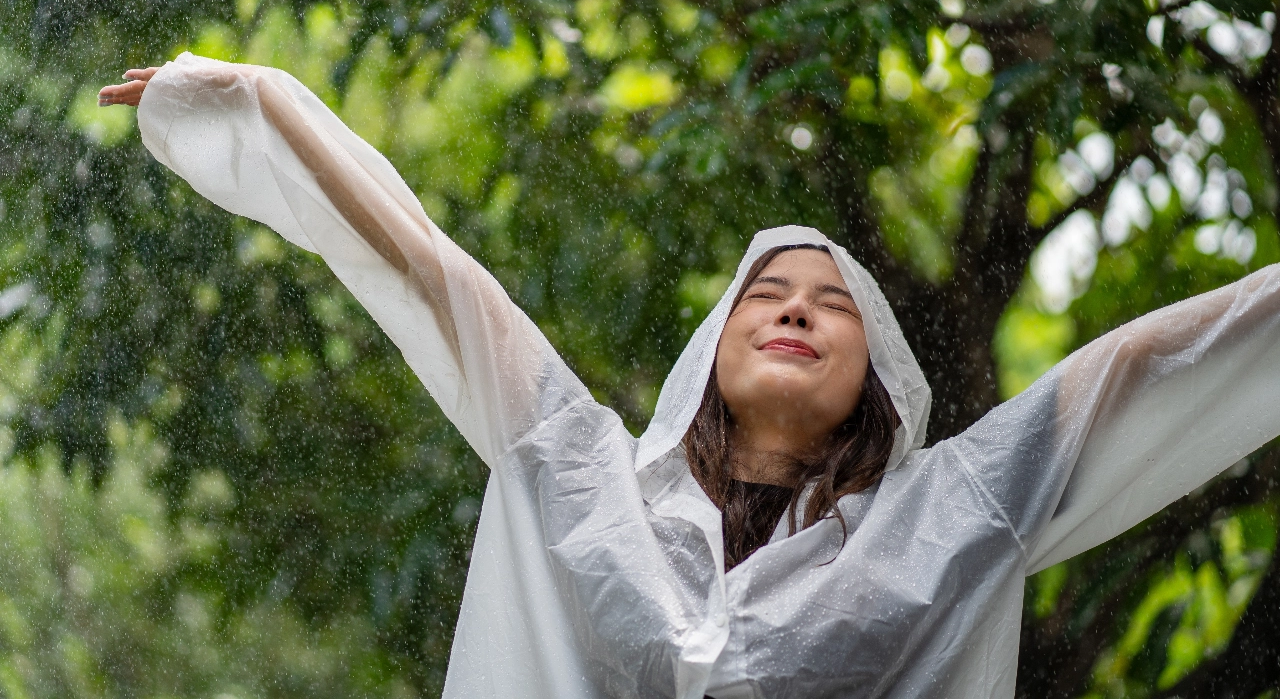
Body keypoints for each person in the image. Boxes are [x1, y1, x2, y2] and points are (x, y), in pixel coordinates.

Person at [99, 55, 1280, 699]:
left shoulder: (952, 512)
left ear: (877, 378)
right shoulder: (582, 474)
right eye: (764, 295)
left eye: (830, 305)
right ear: (708, 357)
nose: (794, 310)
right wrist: (252, 101)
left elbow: (1135, 363)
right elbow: (428, 269)